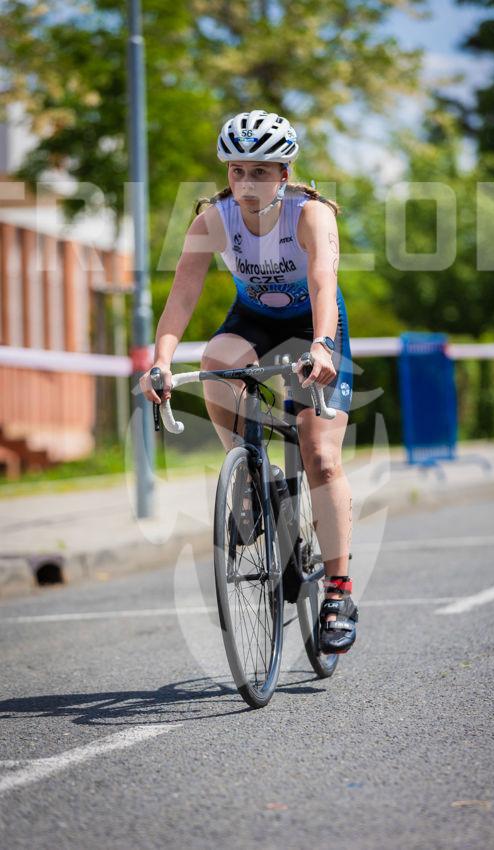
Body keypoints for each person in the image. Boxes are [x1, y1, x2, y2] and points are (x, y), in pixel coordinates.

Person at [139, 109, 358, 654]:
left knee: (321, 455)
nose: (247, 183)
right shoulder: (212, 220)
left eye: (260, 172)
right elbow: (182, 295)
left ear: (284, 173)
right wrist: (161, 361)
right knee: (216, 359)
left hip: (313, 326)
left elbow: (322, 283)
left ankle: (338, 591)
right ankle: (249, 474)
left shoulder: (311, 215)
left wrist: (322, 345)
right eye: (237, 172)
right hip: (253, 322)